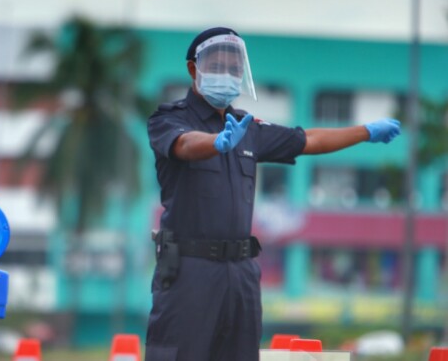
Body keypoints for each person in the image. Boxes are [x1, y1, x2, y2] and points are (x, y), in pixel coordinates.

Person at [145, 27, 401, 360]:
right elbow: (184, 144)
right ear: (194, 70)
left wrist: (365, 132)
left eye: (234, 67)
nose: (227, 73)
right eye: (217, 64)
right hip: (191, 270)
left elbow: (307, 140)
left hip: (240, 272)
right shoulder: (170, 119)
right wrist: (216, 143)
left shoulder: (247, 127)